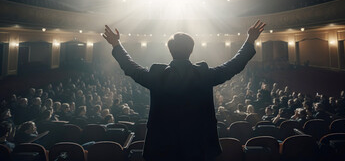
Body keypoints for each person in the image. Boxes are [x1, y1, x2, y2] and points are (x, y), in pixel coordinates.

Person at [103, 20, 266, 161]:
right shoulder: (204, 74)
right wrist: (250, 40)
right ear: (191, 50)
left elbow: (132, 69)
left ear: (170, 50)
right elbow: (233, 66)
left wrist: (116, 45)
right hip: (197, 147)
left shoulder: (158, 75)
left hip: (162, 148)